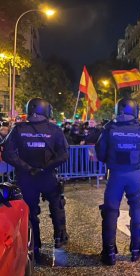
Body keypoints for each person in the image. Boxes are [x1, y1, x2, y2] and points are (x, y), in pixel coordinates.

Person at [2, 98, 69, 261]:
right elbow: (64, 155)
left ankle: (35, 246)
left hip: (26, 178)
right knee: (57, 205)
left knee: (30, 212)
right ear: (46, 110)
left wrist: (28, 168)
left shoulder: (18, 129)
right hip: (48, 176)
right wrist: (46, 167)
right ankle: (59, 238)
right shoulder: (54, 130)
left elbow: (8, 154)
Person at [95, 98, 140, 265]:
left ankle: (109, 253)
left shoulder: (109, 129)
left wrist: (111, 162)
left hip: (116, 176)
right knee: (137, 211)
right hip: (135, 175)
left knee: (110, 213)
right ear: (135, 111)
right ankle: (136, 250)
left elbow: (100, 152)